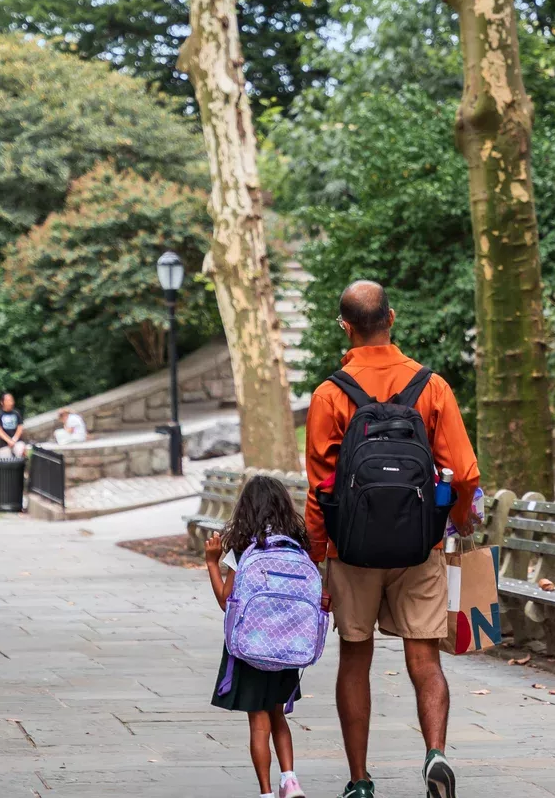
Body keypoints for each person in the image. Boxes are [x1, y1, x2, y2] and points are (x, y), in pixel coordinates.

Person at [305, 280, 478, 798]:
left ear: (345, 327)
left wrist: (318, 560)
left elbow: (320, 488)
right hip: (419, 546)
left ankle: (360, 781)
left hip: (352, 551)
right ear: (392, 318)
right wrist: (461, 521)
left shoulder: (330, 393)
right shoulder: (431, 387)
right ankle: (435, 754)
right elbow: (465, 472)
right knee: (425, 658)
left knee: (355, 657)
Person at [204, 476, 311, 798]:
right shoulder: (295, 543)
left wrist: (211, 562)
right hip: (288, 646)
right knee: (278, 714)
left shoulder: (244, 547)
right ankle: (289, 780)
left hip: (250, 647)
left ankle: (266, 791)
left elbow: (227, 599)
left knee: (259, 722)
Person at [0, 392, 27, 458]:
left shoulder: (16, 413)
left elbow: (20, 427)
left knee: (22, 452)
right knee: (5, 463)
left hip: (17, 441)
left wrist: (14, 440)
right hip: (4, 444)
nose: (10, 402)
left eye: (11, 400)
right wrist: (9, 441)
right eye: (8, 400)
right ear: (2, 402)